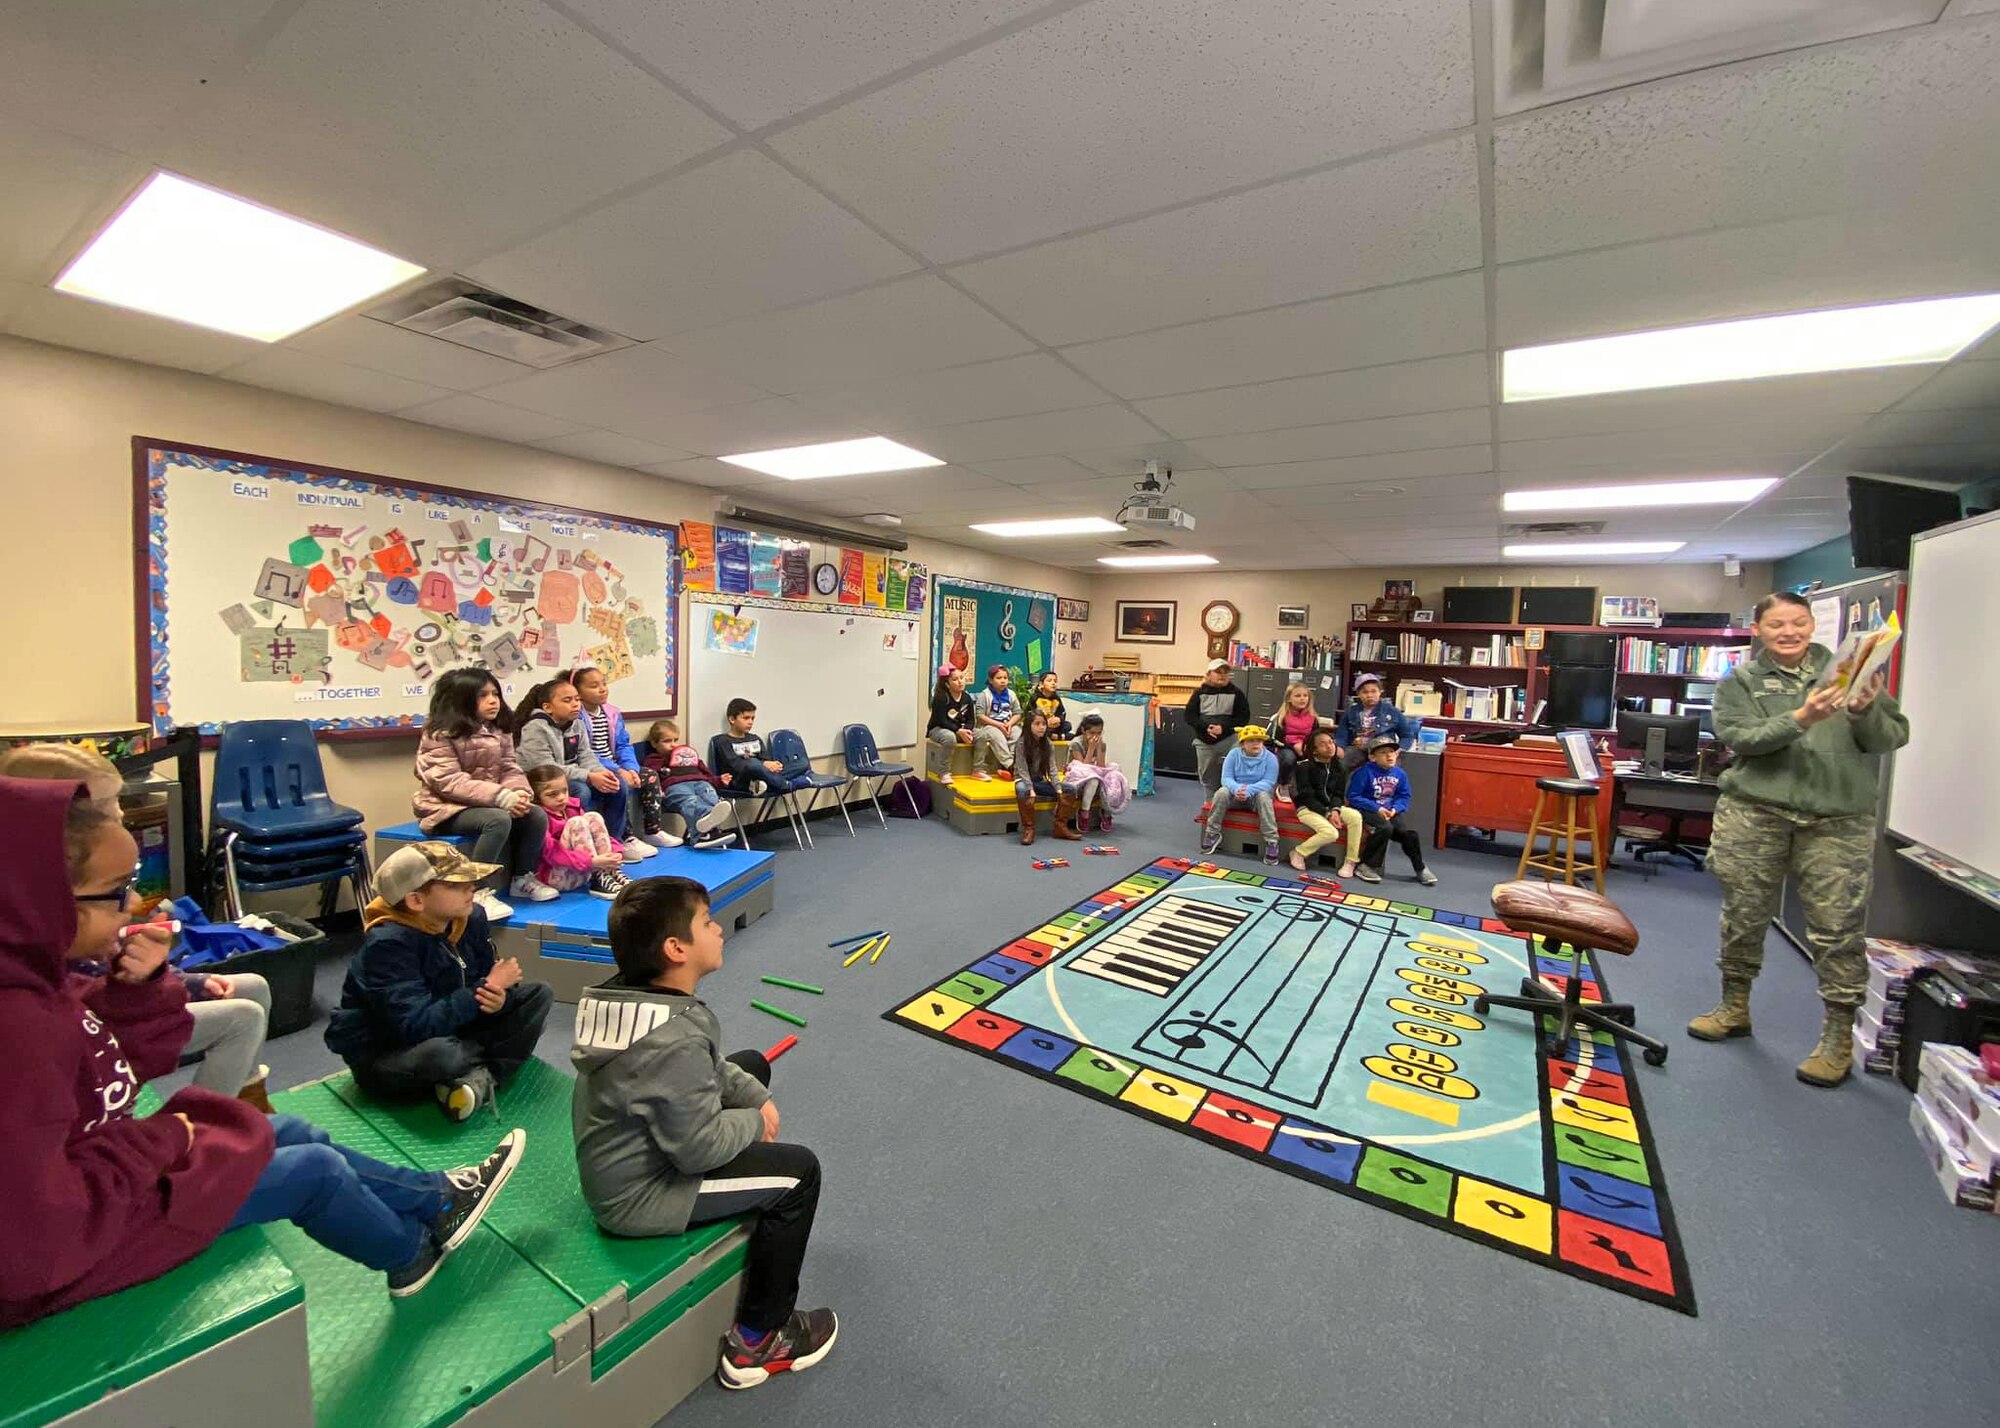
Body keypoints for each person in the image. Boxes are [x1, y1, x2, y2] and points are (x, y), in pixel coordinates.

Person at [0, 778, 523, 1321]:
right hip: (71, 1247)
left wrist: (141, 988)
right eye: (115, 890)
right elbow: (39, 1236)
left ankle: (435, 1198)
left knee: (290, 1131)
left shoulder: (48, 980)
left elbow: (119, 1059)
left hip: (102, 1184)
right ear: (40, 900)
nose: (134, 903)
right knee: (312, 1171)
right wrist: (162, 1138)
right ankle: (409, 1256)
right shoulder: (18, 1030)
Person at [573, 878, 836, 1391]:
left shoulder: (640, 998)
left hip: (636, 1151)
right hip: (642, 1193)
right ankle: (761, 1341)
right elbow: (698, 1150)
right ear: (676, 949)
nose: (718, 929)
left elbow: (712, 1066)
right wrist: (753, 1123)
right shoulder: (669, 1041)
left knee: (751, 1067)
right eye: (707, 923)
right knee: (800, 1173)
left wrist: (755, 1099)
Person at [1689, 590, 1910, 1088]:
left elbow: (1889, 738)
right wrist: (1801, 718)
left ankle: (1837, 1037)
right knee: (1744, 914)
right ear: (1759, 630)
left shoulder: (1851, 669)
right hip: (1756, 812)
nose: (1789, 632)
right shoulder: (1740, 680)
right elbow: (1740, 738)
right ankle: (1734, 1006)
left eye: (1799, 623)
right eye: (1777, 625)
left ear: (1813, 625)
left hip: (1836, 819)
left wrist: (1864, 710)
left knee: (1837, 928)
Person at [0, 742, 274, 1108]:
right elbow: (98, 1002)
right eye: (107, 808)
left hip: (120, 1005)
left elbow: (114, 978)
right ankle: (210, 1130)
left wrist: (176, 978)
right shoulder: (50, 934)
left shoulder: (78, 896)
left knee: (253, 987)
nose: (120, 814)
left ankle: (248, 1102)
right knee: (243, 1018)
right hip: (106, 1031)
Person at [326, 842, 555, 1122]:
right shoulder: (387, 947)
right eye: (455, 885)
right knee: (443, 1056)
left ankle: (480, 1076)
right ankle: (486, 1069)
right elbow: (414, 1025)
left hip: (455, 1024)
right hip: (391, 1050)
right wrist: (479, 993)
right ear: (416, 901)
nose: (471, 888)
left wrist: (499, 998)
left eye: (470, 881)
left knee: (538, 996)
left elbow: (487, 978)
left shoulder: (470, 918)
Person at [412, 667, 550, 918]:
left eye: (495, 693)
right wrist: (500, 796)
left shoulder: (499, 728)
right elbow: (448, 780)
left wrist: (518, 792)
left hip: (488, 802)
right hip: (444, 808)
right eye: (482, 695)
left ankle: (522, 879)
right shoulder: (438, 733)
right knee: (497, 820)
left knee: (536, 815)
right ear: (460, 700)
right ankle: (478, 891)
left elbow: (510, 766)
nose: (493, 700)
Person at [518, 676, 644, 865]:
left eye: (577, 699)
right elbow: (546, 767)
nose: (575, 704)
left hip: (569, 775)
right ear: (547, 707)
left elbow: (586, 755)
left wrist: (602, 773)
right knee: (579, 791)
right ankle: (582, 850)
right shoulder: (535, 728)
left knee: (617, 785)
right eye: (567, 700)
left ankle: (612, 847)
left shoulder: (577, 724)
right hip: (544, 780)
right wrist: (589, 776)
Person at [571, 665, 675, 857]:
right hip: (594, 766)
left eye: (604, 684)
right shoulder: (576, 716)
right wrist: (619, 770)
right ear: (578, 692)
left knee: (649, 775)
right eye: (594, 686)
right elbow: (586, 753)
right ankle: (624, 838)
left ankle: (652, 830)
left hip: (616, 764)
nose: (602, 689)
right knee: (618, 783)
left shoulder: (612, 713)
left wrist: (631, 768)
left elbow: (623, 744)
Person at [525, 764, 629, 899]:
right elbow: (551, 853)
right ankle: (598, 877)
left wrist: (615, 852)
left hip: (583, 870)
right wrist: (591, 862)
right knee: (577, 822)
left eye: (564, 791)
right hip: (556, 877)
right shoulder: (541, 818)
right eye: (553, 794)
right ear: (537, 797)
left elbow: (598, 833)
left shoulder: (571, 807)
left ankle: (609, 871)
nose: (562, 797)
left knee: (593, 816)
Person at [1347, 735, 1434, 886]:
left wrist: (1395, 809)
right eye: (1383, 752)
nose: (1389, 756)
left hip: (1389, 811)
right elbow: (1353, 796)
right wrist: (1377, 808)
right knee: (1384, 828)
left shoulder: (1400, 774)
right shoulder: (1363, 773)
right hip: (1367, 809)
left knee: (1408, 835)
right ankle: (1366, 865)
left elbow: (1403, 796)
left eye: (1392, 752)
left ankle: (1420, 868)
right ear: (1372, 757)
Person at [641, 720, 737, 848]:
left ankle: (708, 829)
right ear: (654, 743)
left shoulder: (688, 756)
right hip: (675, 786)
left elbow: (706, 773)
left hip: (700, 782)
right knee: (691, 801)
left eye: (675, 740)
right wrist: (658, 788)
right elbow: (652, 777)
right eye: (667, 741)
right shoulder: (654, 759)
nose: (673, 745)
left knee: (710, 796)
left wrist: (718, 780)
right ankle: (703, 834)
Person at [1201, 724, 1281, 865]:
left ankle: (1272, 842)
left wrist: (1248, 790)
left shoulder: (1271, 758)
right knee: (1221, 792)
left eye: (1259, 740)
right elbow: (1226, 779)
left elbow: (1269, 782)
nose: (1256, 743)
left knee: (1264, 796)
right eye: (1251, 740)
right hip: (1235, 795)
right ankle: (1212, 833)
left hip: (1256, 797)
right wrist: (1237, 789)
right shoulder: (1234, 755)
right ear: (1242, 743)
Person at [1291, 729, 1362, 878]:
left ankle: (1351, 861)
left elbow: (1338, 794)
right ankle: (1298, 852)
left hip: (1330, 807)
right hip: (1307, 808)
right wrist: (1327, 813)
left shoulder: (1340, 767)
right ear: (1314, 750)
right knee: (1331, 833)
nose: (1329, 747)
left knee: (1355, 816)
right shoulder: (1304, 767)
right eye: (1323, 744)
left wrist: (1335, 810)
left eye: (1331, 742)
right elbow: (1306, 796)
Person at [708, 699, 799, 797]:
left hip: (763, 776)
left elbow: (766, 760)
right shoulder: (722, 741)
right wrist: (763, 764)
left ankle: (777, 782)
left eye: (752, 718)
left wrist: (773, 765)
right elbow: (736, 765)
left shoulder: (755, 738)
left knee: (801, 763)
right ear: (732, 719)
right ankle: (786, 784)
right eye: (746, 718)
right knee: (752, 763)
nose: (750, 722)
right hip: (740, 781)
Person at [1185, 660, 1252, 792]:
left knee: (1234, 772)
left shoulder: (1236, 693)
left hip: (1229, 739)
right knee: (1207, 777)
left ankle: (1229, 801)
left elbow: (1243, 717)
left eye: (1225, 672)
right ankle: (1209, 805)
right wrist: (1206, 727)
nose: (1222, 675)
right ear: (1209, 674)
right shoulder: (1199, 693)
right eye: (1218, 672)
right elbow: (1189, 716)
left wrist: (1223, 728)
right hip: (1204, 740)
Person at [1012, 709, 1076, 846]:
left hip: (1039, 781)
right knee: (1023, 790)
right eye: (1037, 724)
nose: (1041, 727)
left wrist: (1058, 788)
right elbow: (1022, 770)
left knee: (1070, 789)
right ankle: (1029, 829)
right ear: (1029, 726)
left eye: (1044, 724)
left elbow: (1052, 768)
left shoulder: (1047, 744)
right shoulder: (1021, 743)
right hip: (1023, 780)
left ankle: (1060, 826)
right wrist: (1031, 789)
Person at [1062, 712, 1129, 835]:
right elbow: (1083, 768)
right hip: (1077, 778)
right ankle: (1084, 812)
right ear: (1083, 730)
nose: (1095, 736)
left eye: (1098, 733)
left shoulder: (1102, 744)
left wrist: (1098, 749)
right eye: (1092, 733)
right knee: (1094, 779)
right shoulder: (1076, 744)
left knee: (1111, 776)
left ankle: (1107, 811)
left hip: (1095, 773)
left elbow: (1101, 767)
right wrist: (1091, 749)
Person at [1335, 673, 1414, 771]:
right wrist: (1340, 747)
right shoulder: (1351, 712)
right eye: (1365, 692)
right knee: (1340, 764)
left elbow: (1407, 735)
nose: (1369, 695)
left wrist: (1399, 749)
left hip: (1383, 750)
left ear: (1380, 692)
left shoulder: (1392, 711)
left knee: (1390, 767)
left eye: (1373, 691)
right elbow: (1341, 735)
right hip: (1358, 749)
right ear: (1358, 694)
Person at [1266, 681, 1335, 792]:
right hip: (1285, 749)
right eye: (1297, 696)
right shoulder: (1281, 717)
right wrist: (1294, 746)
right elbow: (1273, 740)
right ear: (1289, 699)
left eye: (1305, 696)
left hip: (1306, 748)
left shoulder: (1313, 718)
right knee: (1289, 758)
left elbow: (1317, 737)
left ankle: (1320, 788)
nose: (1302, 699)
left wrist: (1309, 747)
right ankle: (1283, 786)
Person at [925, 665, 984, 787]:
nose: (960, 681)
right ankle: (943, 772)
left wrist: (966, 731)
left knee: (982, 735)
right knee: (949, 737)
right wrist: (958, 731)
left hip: (960, 729)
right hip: (939, 729)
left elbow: (971, 719)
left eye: (962, 678)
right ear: (947, 684)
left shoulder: (967, 698)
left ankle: (978, 769)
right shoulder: (941, 697)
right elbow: (941, 720)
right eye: (955, 679)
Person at [971, 666, 1023, 781]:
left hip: (1007, 724)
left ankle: (1010, 765)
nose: (1003, 680)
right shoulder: (984, 695)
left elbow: (1018, 713)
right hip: (989, 726)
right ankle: (1011, 766)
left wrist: (1009, 724)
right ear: (991, 680)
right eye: (999, 678)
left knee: (1018, 732)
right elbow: (980, 716)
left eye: (1005, 677)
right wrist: (999, 725)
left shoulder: (1011, 694)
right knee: (996, 735)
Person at [1029, 671, 1073, 740]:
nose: (1053, 683)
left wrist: (1058, 719)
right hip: (1041, 724)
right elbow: (1030, 714)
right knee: (1035, 729)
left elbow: (1062, 713)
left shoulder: (1056, 698)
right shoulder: (1035, 698)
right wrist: (1045, 723)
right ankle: (1058, 737)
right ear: (1041, 684)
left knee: (1068, 725)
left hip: (1054, 725)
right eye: (1049, 681)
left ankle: (1052, 735)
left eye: (1055, 681)